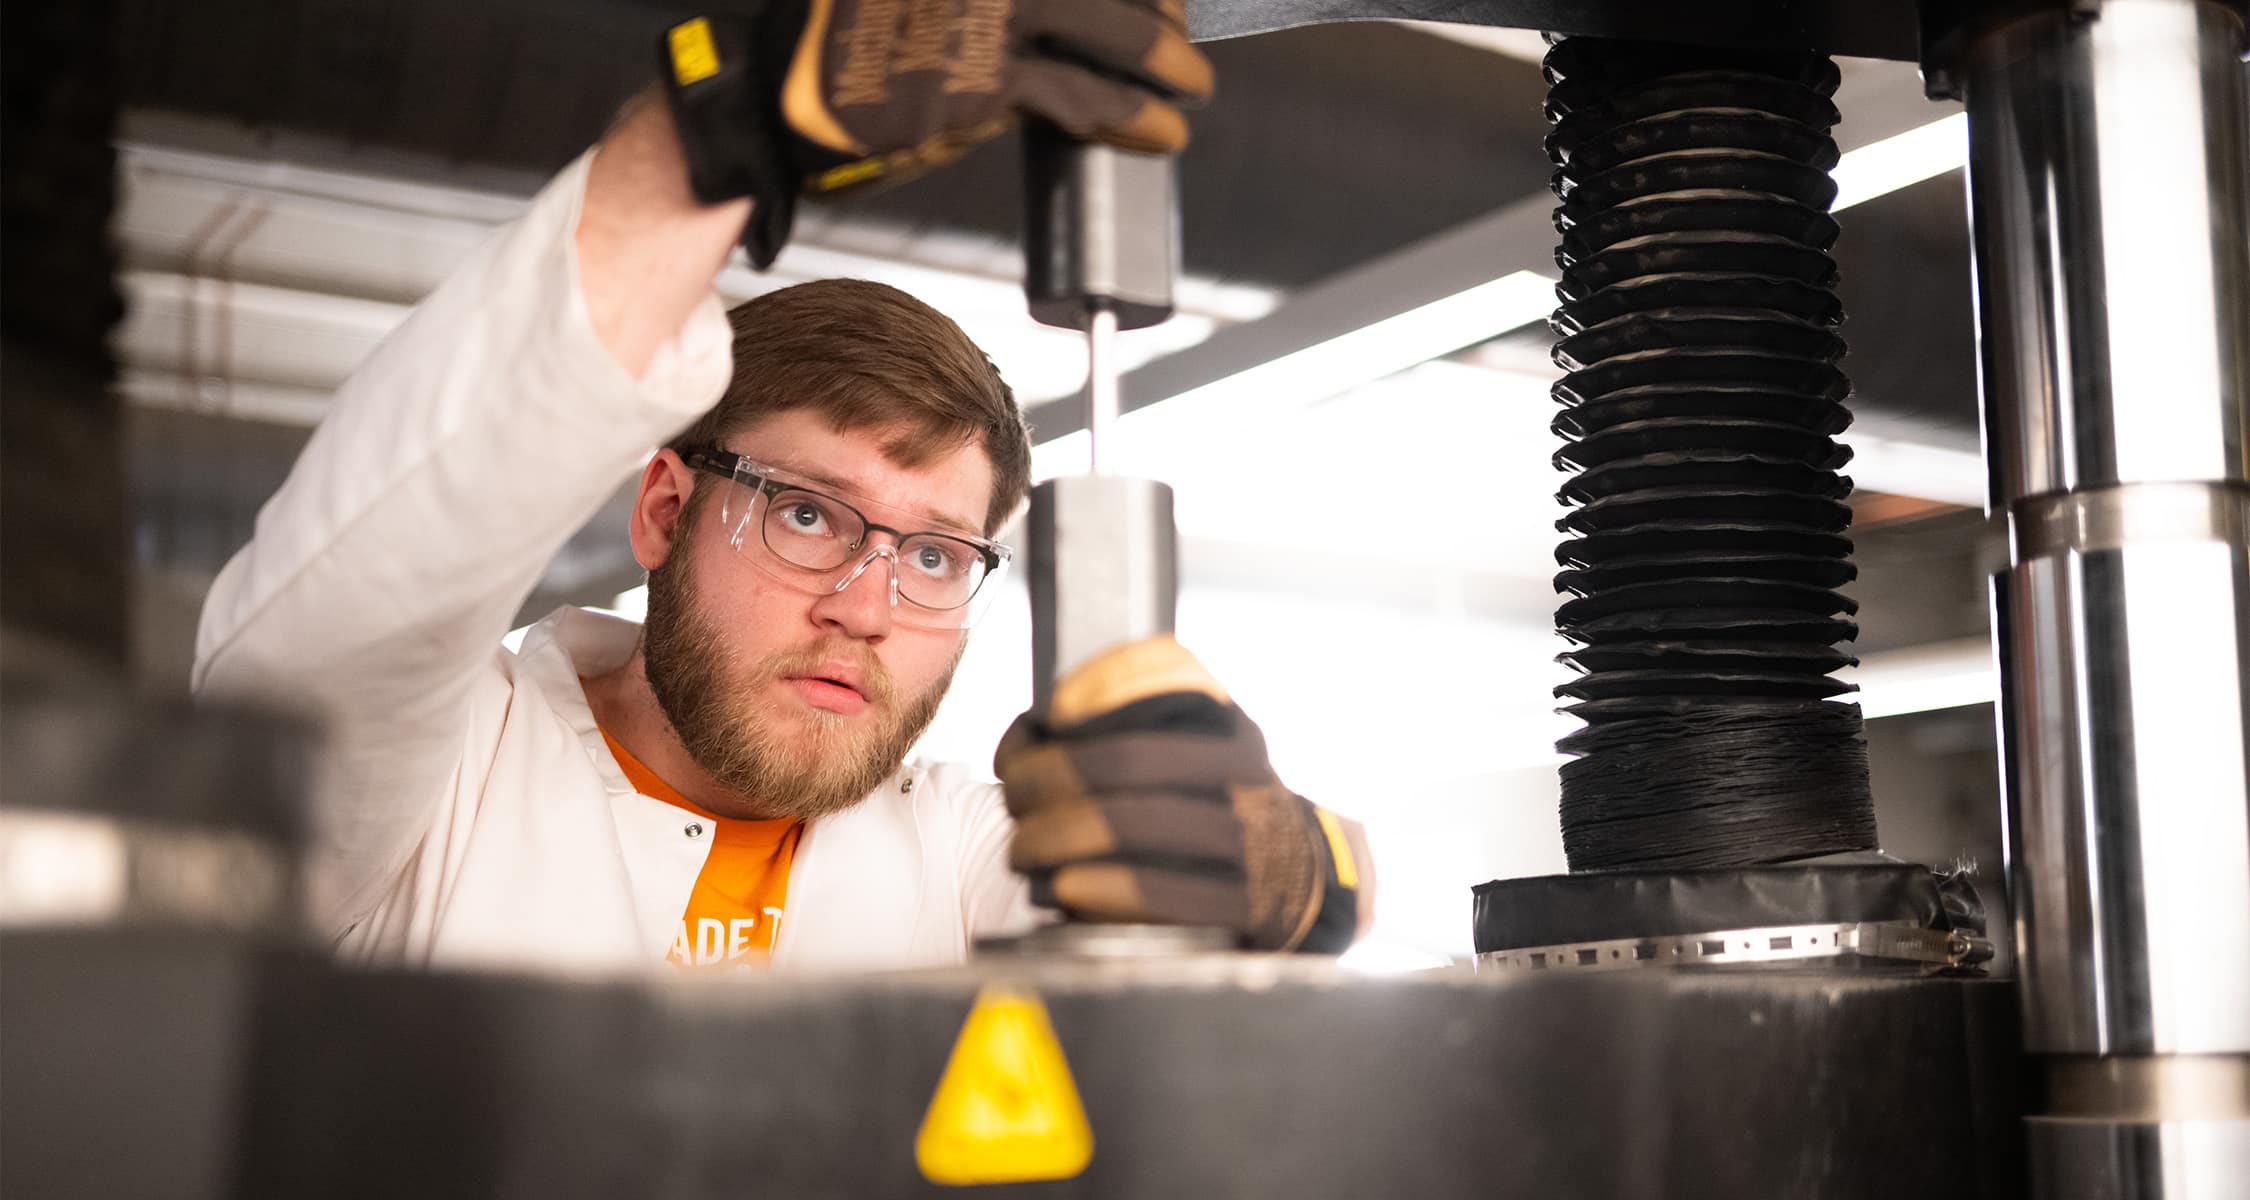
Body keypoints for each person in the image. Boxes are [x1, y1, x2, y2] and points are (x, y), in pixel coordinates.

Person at [192, 0, 1368, 973]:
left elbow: (1260, 907)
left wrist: (1289, 872)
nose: (864, 606)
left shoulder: (953, 845)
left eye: (933, 555)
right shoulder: (438, 782)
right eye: (807, 513)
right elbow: (362, 590)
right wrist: (707, 133)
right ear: (665, 510)